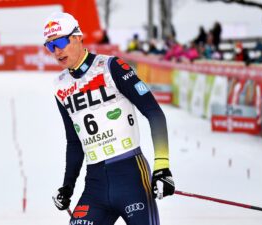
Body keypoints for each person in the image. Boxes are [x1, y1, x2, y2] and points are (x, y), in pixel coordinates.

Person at [43, 12, 175, 225]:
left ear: (77, 37)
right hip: (95, 183)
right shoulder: (61, 86)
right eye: (50, 46)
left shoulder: (110, 67)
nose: (56, 51)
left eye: (59, 42)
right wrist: (68, 186)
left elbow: (154, 112)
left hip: (130, 175)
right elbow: (74, 141)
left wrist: (162, 166)